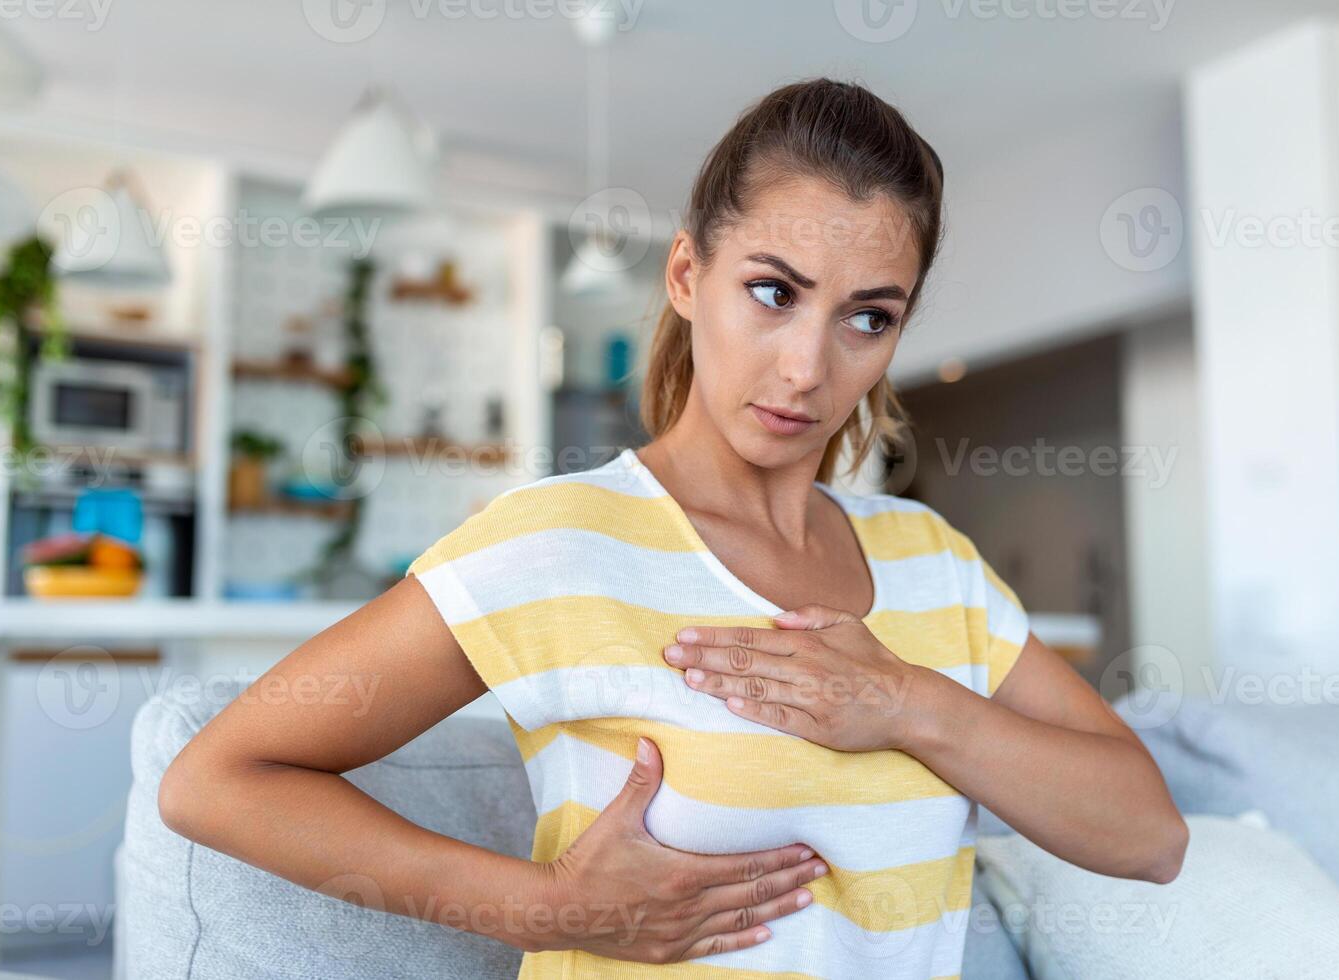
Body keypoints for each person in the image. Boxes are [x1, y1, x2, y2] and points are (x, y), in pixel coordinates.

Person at [160, 77, 1187, 978]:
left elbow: (1149, 833)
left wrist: (910, 703)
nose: (806, 365)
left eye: (868, 317)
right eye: (773, 292)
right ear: (689, 275)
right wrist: (547, 906)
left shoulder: (935, 565)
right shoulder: (559, 541)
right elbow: (216, 777)